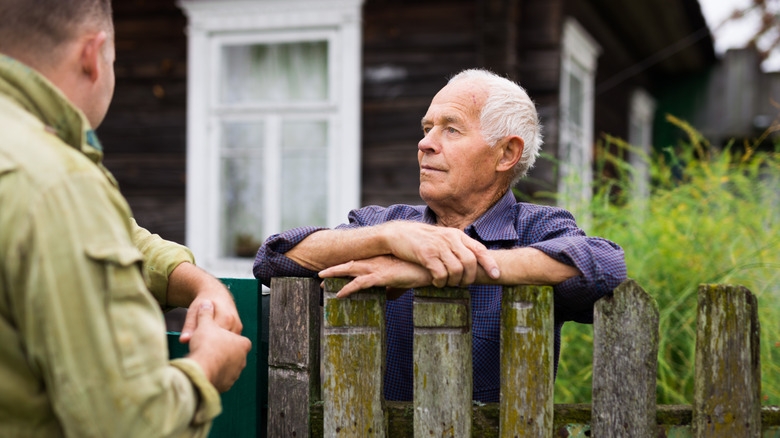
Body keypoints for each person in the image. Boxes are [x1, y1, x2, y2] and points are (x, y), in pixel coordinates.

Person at [253, 68, 626, 403]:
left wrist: (436, 267)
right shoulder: (384, 221)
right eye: (427, 128)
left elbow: (606, 267)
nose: (426, 143)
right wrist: (391, 239)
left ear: (506, 153)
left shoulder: (536, 228)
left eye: (451, 128)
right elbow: (273, 259)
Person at [0, 0, 251, 435]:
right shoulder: (58, 180)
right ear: (93, 57)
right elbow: (131, 422)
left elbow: (105, 235)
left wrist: (198, 281)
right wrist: (208, 369)